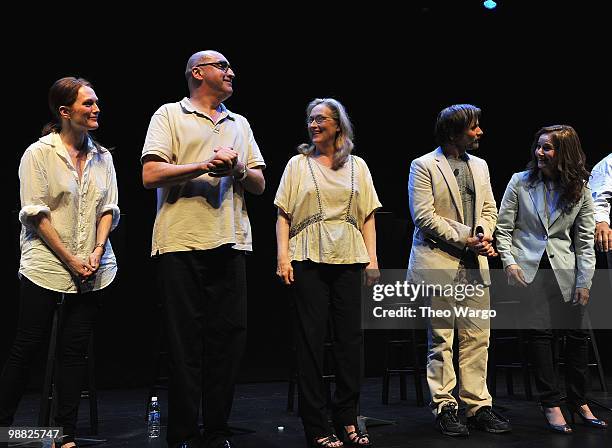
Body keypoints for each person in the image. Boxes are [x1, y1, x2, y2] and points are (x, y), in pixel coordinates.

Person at [141, 50, 265, 448]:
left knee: (228, 343)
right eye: (223, 66)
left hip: (231, 241)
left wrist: (238, 170)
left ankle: (216, 431)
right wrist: (203, 166)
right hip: (180, 243)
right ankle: (181, 432)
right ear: (198, 73)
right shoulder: (169, 115)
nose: (231, 72)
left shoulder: (239, 123)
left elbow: (260, 183)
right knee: (184, 344)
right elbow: (150, 174)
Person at [0, 77, 119, 448]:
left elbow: (108, 209)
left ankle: (62, 434)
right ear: (65, 112)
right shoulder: (38, 154)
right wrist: (70, 258)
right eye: (88, 104)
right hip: (46, 263)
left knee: (73, 351)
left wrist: (97, 251)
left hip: (92, 265)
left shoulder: (104, 156)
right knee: (28, 344)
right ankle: (4, 427)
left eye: (96, 102)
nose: (96, 109)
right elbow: (36, 214)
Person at [275, 98, 381, 447]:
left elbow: (367, 215)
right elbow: (283, 215)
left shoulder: (358, 166)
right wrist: (283, 257)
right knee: (310, 342)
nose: (313, 124)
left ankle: (347, 417)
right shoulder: (297, 164)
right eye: (310, 119)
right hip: (307, 257)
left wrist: (373, 259)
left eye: (320, 119)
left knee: (351, 342)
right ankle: (317, 424)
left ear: (338, 125)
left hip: (349, 256)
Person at [407, 104, 511, 436]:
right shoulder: (424, 165)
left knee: (478, 338)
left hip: (474, 265)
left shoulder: (479, 165)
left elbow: (489, 208)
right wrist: (468, 238)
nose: (479, 132)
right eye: (473, 127)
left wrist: (483, 235)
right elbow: (423, 216)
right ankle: (445, 406)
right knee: (441, 339)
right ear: (453, 132)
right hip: (439, 262)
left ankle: (478, 405)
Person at [495, 125, 607, 433]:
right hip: (528, 270)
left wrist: (584, 282)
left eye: (548, 148)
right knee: (540, 336)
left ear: (565, 154)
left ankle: (579, 400)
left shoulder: (581, 190)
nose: (540, 153)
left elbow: (584, 241)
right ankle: (551, 403)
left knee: (576, 337)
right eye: (539, 146)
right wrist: (509, 263)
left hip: (566, 271)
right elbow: (503, 229)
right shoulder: (520, 182)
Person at [590, 153, 612, 262]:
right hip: (609, 228)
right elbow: (598, 196)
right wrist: (601, 222)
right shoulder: (608, 163)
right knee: (604, 237)